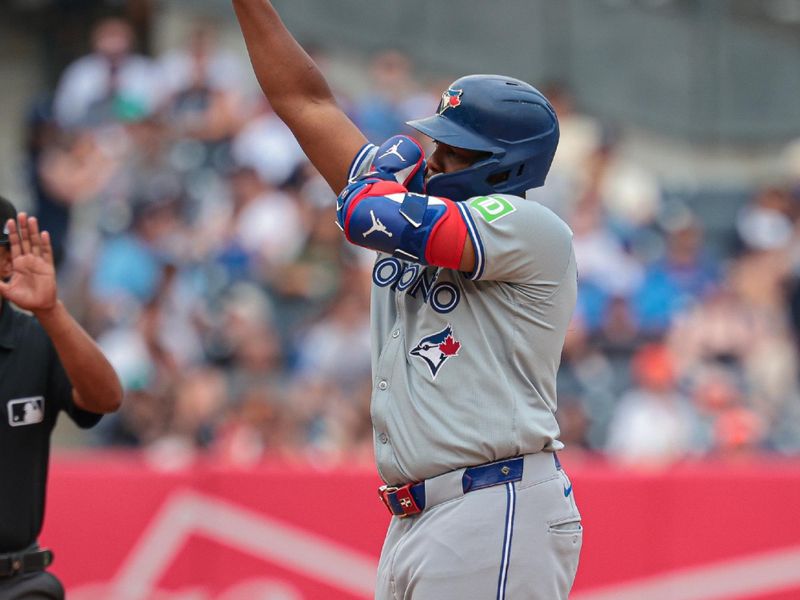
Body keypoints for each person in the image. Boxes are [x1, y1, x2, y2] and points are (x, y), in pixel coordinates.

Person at [232, 2, 582, 598]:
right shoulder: (420, 197)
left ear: (506, 166)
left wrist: (377, 177)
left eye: (458, 150)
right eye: (439, 140)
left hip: (493, 503)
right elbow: (306, 104)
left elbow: (364, 214)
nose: (437, 156)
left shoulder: (528, 226)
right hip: (418, 515)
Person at [0, 197, 123, 599]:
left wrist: (50, 311)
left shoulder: (39, 340)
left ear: (6, 262)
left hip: (16, 582)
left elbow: (105, 398)